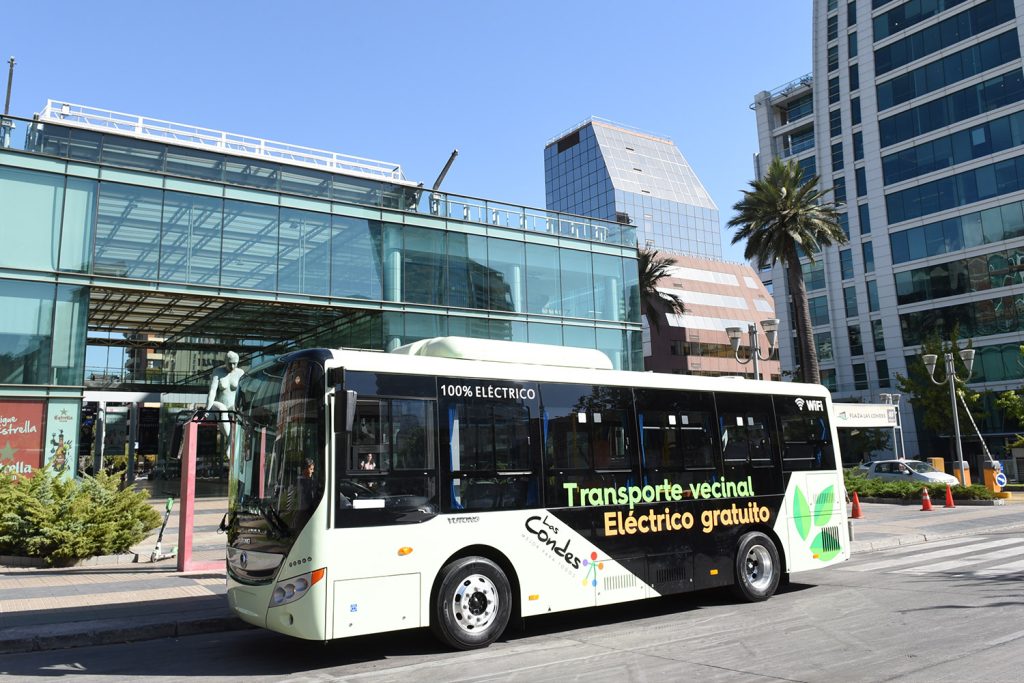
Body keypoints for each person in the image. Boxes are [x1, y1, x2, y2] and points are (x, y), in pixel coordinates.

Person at [206, 351, 244, 440]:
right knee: (222, 409)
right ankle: (230, 440)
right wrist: (207, 409)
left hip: (232, 406)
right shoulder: (217, 372)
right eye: (230, 364)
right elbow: (212, 391)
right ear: (225, 361)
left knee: (237, 412)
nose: (232, 367)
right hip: (217, 404)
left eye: (235, 364)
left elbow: (243, 392)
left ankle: (230, 445)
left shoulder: (240, 373)